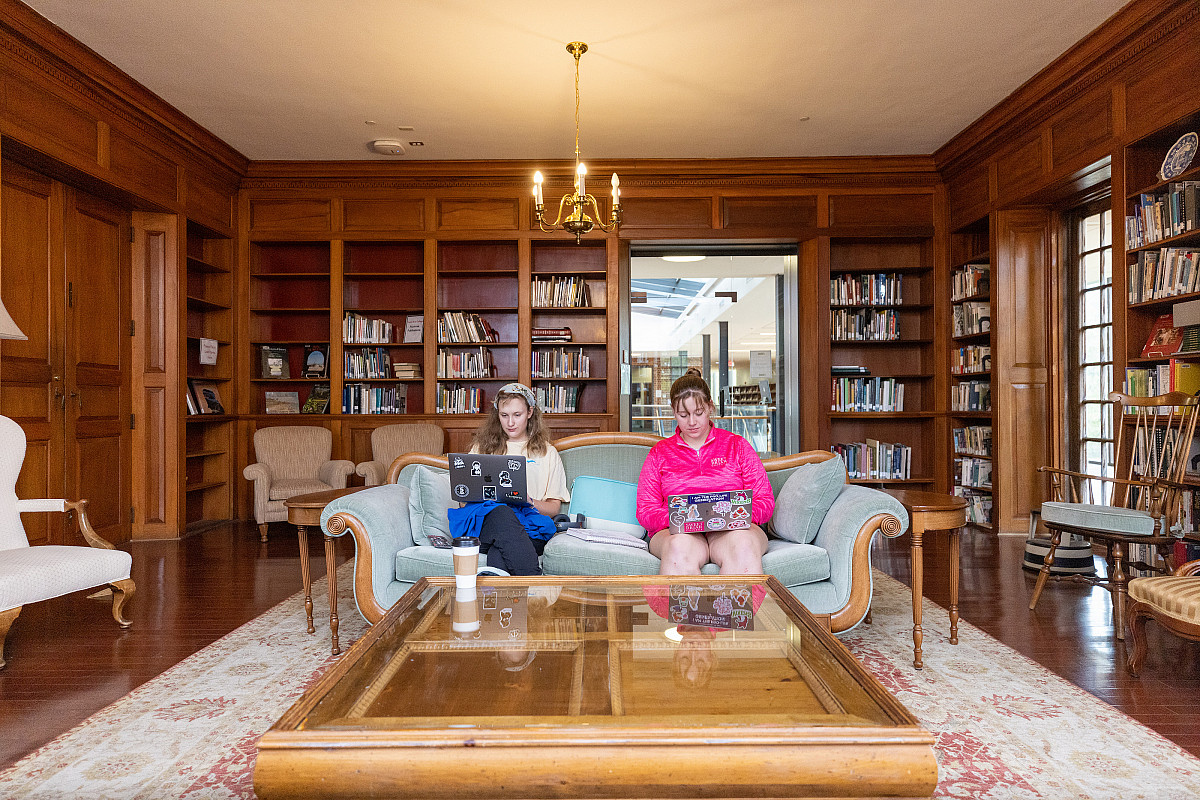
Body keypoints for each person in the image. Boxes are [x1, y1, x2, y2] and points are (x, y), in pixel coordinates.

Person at [636, 368, 774, 575]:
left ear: (710, 407)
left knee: (743, 545)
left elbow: (765, 500)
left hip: (733, 530)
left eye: (698, 413)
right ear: (673, 411)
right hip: (676, 533)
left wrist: (731, 514)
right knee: (678, 548)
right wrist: (684, 517)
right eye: (683, 415)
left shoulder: (737, 446)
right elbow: (646, 510)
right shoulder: (660, 453)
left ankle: (733, 600)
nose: (691, 422)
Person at [447, 383, 569, 576]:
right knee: (502, 513)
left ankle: (502, 592)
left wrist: (528, 501)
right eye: (504, 415)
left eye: (517, 415)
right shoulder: (482, 448)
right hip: (486, 524)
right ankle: (536, 584)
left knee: (499, 553)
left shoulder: (548, 452)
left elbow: (554, 508)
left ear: (530, 412)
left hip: (529, 527)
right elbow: (464, 501)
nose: (510, 422)